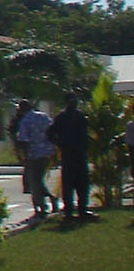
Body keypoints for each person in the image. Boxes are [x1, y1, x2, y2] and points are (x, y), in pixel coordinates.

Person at [49, 93, 91, 221]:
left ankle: (83, 209)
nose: (75, 103)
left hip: (80, 154)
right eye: (72, 100)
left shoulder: (80, 116)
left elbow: (85, 131)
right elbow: (50, 132)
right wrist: (60, 144)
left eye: (76, 100)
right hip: (68, 155)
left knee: (83, 183)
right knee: (68, 184)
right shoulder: (61, 117)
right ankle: (68, 212)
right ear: (67, 102)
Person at [15, 99, 56, 218]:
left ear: (21, 109)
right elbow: (52, 132)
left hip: (33, 154)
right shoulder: (43, 116)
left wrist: (24, 155)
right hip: (47, 153)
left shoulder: (25, 121)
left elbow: (23, 140)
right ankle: (49, 199)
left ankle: (41, 206)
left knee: (33, 181)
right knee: (38, 179)